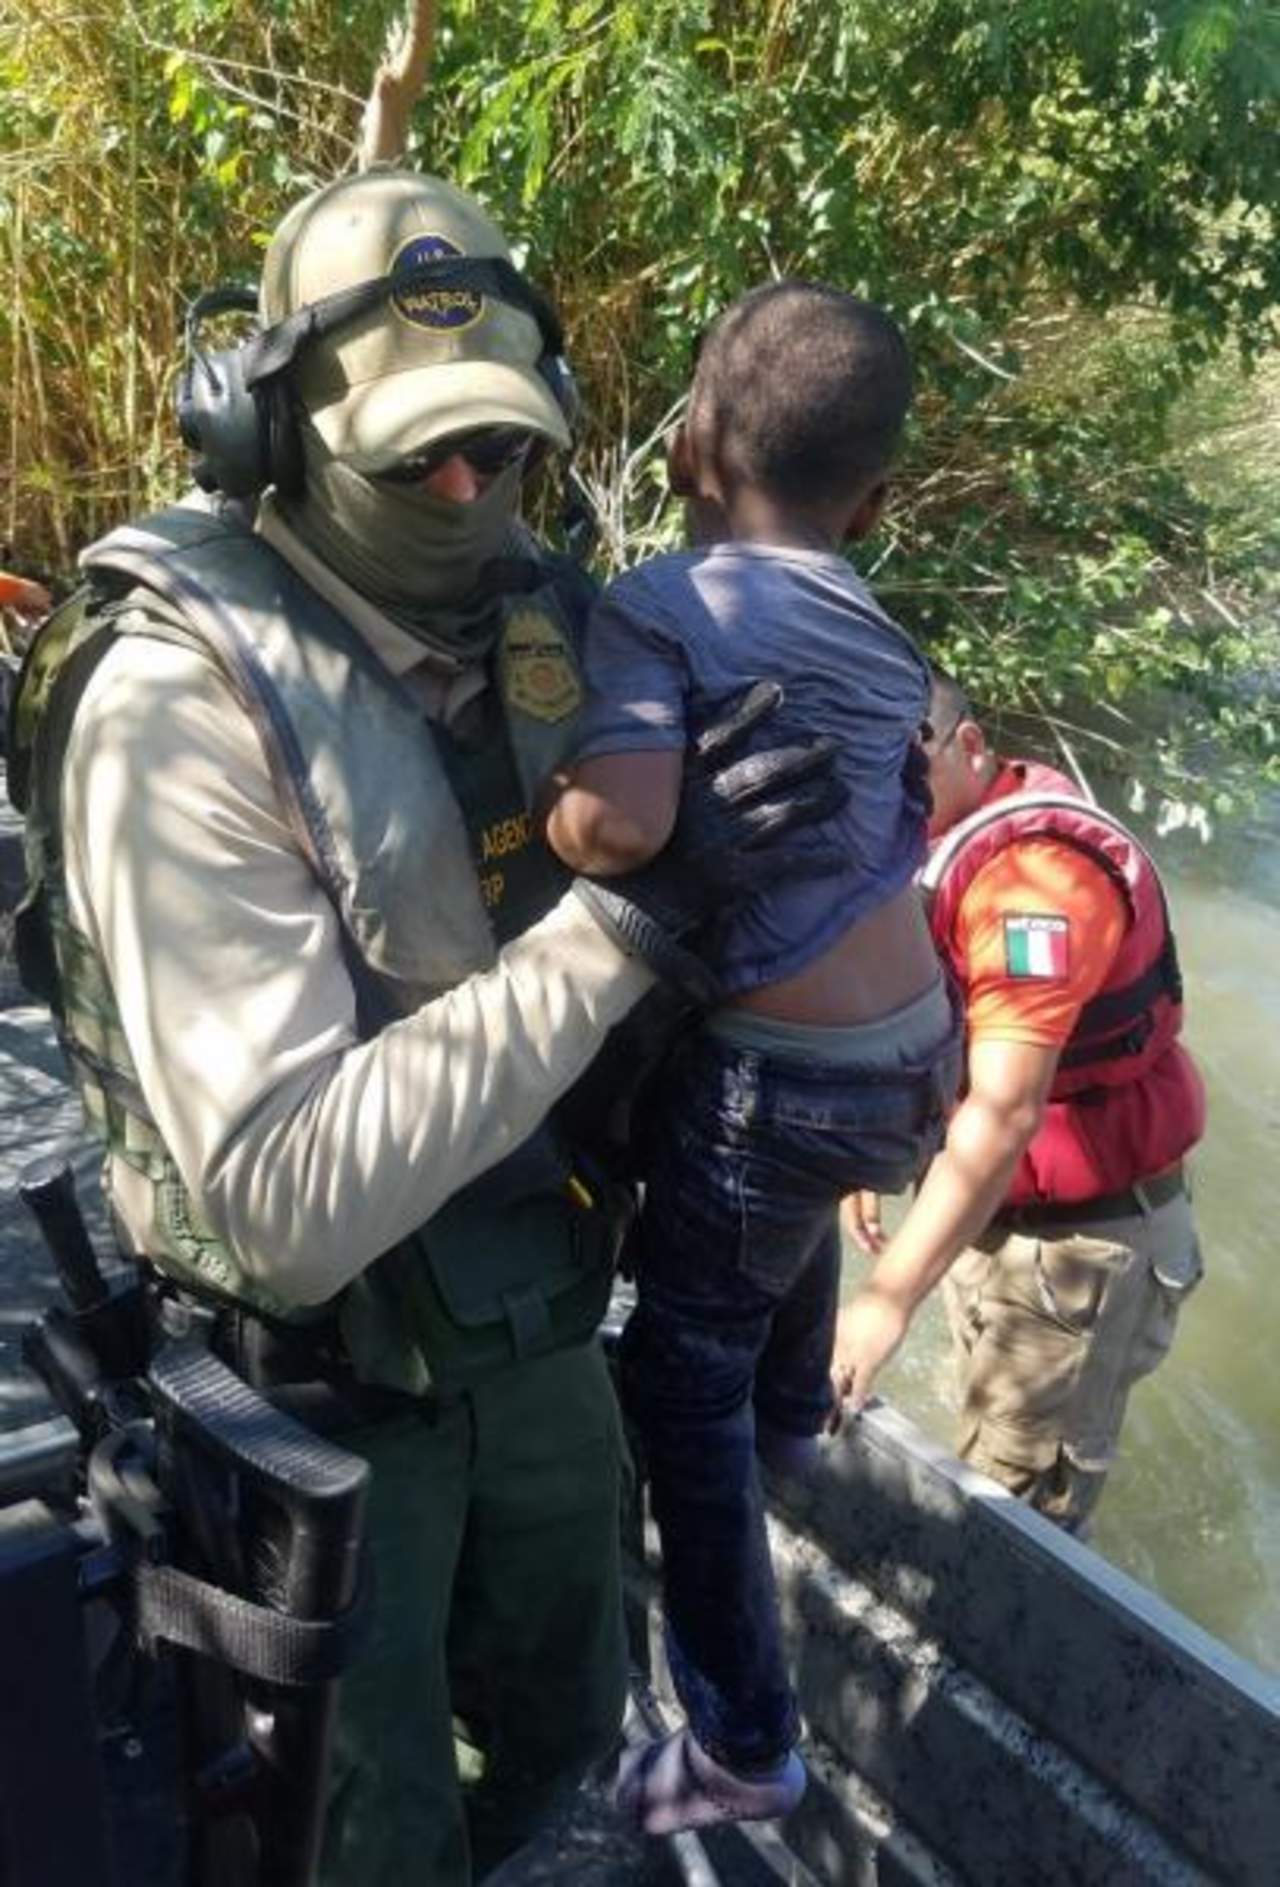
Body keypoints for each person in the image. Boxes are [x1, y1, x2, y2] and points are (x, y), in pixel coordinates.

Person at [7, 170, 846, 1887]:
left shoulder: (562, 627)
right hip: (318, 1401)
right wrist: (630, 924)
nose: (468, 492)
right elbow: (284, 1200)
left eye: (500, 447)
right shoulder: (173, 702)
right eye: (416, 459)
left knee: (572, 1764)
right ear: (265, 434)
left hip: (543, 1333)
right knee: (365, 1837)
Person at [544, 282, 962, 1834]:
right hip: (919, 1056)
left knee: (675, 1373)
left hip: (784, 1079)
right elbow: (916, 782)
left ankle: (741, 1735)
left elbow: (626, 823)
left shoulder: (664, 601)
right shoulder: (884, 625)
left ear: (690, 445)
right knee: (773, 1222)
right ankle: (794, 1411)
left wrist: (557, 803)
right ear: (876, 502)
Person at [833, 669, 1207, 1535]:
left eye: (904, 771)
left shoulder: (1035, 887)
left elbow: (1005, 1110)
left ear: (969, 745)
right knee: (973, 1442)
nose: (885, 800)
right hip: (994, 1207)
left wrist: (886, 1298)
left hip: (1079, 1248)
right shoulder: (939, 837)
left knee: (1009, 1512)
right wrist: (871, 1159)